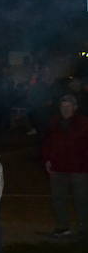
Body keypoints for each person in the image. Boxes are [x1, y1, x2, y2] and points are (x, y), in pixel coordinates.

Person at [42, 94, 88, 239]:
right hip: (57, 167)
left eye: (68, 106)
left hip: (79, 168)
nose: (65, 110)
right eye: (63, 106)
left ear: (75, 107)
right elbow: (47, 142)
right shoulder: (54, 122)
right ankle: (63, 227)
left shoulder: (83, 123)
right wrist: (47, 159)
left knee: (81, 199)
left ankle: (84, 228)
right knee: (58, 198)